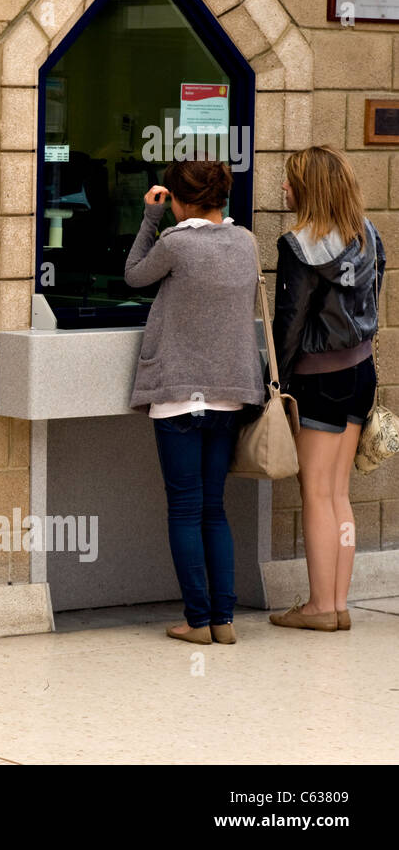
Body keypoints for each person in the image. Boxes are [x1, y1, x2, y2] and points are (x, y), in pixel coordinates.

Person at [125, 161, 265, 645]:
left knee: (184, 510)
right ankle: (224, 621)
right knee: (213, 509)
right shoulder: (245, 242)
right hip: (229, 396)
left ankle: (197, 620)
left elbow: (134, 276)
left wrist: (149, 217)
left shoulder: (175, 243)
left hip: (179, 396)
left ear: (179, 201)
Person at [271, 146, 385, 632]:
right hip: (361, 373)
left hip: (318, 379)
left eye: (290, 181)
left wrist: (275, 379)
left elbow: (290, 323)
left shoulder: (297, 246)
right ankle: (336, 604)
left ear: (309, 189)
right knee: (338, 493)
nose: (283, 188)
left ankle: (320, 607)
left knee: (316, 492)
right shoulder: (369, 235)